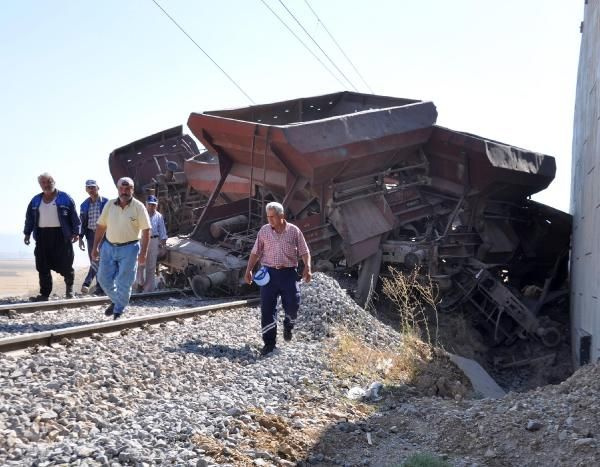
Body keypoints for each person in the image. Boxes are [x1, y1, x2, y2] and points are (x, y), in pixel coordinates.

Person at [244, 201, 312, 356]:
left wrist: (307, 267)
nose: (270, 220)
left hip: (288, 274)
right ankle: (269, 343)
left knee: (293, 304)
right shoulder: (264, 231)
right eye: (268, 217)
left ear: (282, 216)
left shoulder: (294, 231)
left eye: (273, 217)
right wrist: (248, 270)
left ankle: (289, 324)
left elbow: (304, 251)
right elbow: (255, 252)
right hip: (269, 274)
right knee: (267, 309)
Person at [92, 177, 150, 319]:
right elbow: (101, 226)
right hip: (108, 247)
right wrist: (95, 247)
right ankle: (118, 301)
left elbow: (146, 230)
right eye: (122, 189)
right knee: (103, 279)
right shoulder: (110, 205)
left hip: (130, 248)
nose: (124, 191)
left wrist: (143, 253)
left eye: (128, 188)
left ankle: (118, 311)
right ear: (118, 189)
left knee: (124, 281)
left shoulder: (139, 207)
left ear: (132, 189)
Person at [23, 173, 80, 301]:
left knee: (66, 263)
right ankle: (44, 294)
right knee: (42, 265)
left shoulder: (65, 198)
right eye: (43, 182)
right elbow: (30, 218)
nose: (46, 184)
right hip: (42, 236)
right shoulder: (35, 200)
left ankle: (69, 290)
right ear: (40, 185)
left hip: (61, 235)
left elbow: (74, 217)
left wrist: (76, 232)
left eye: (49, 181)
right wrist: (27, 233)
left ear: (54, 182)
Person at [78, 179, 108, 295]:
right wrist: (80, 237)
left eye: (93, 187)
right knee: (94, 259)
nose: (91, 190)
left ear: (98, 188)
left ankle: (87, 283)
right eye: (89, 188)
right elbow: (82, 222)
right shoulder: (84, 205)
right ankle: (100, 288)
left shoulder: (106, 202)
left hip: (105, 234)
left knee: (101, 260)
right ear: (86, 190)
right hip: (90, 234)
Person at [135, 195, 167, 292]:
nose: (151, 207)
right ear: (146, 204)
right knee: (140, 263)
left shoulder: (158, 216)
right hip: (142, 240)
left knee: (151, 266)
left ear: (156, 206)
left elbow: (162, 230)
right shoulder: (141, 214)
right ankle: (139, 283)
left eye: (153, 205)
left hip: (154, 240)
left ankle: (148, 289)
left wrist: (163, 244)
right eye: (149, 205)